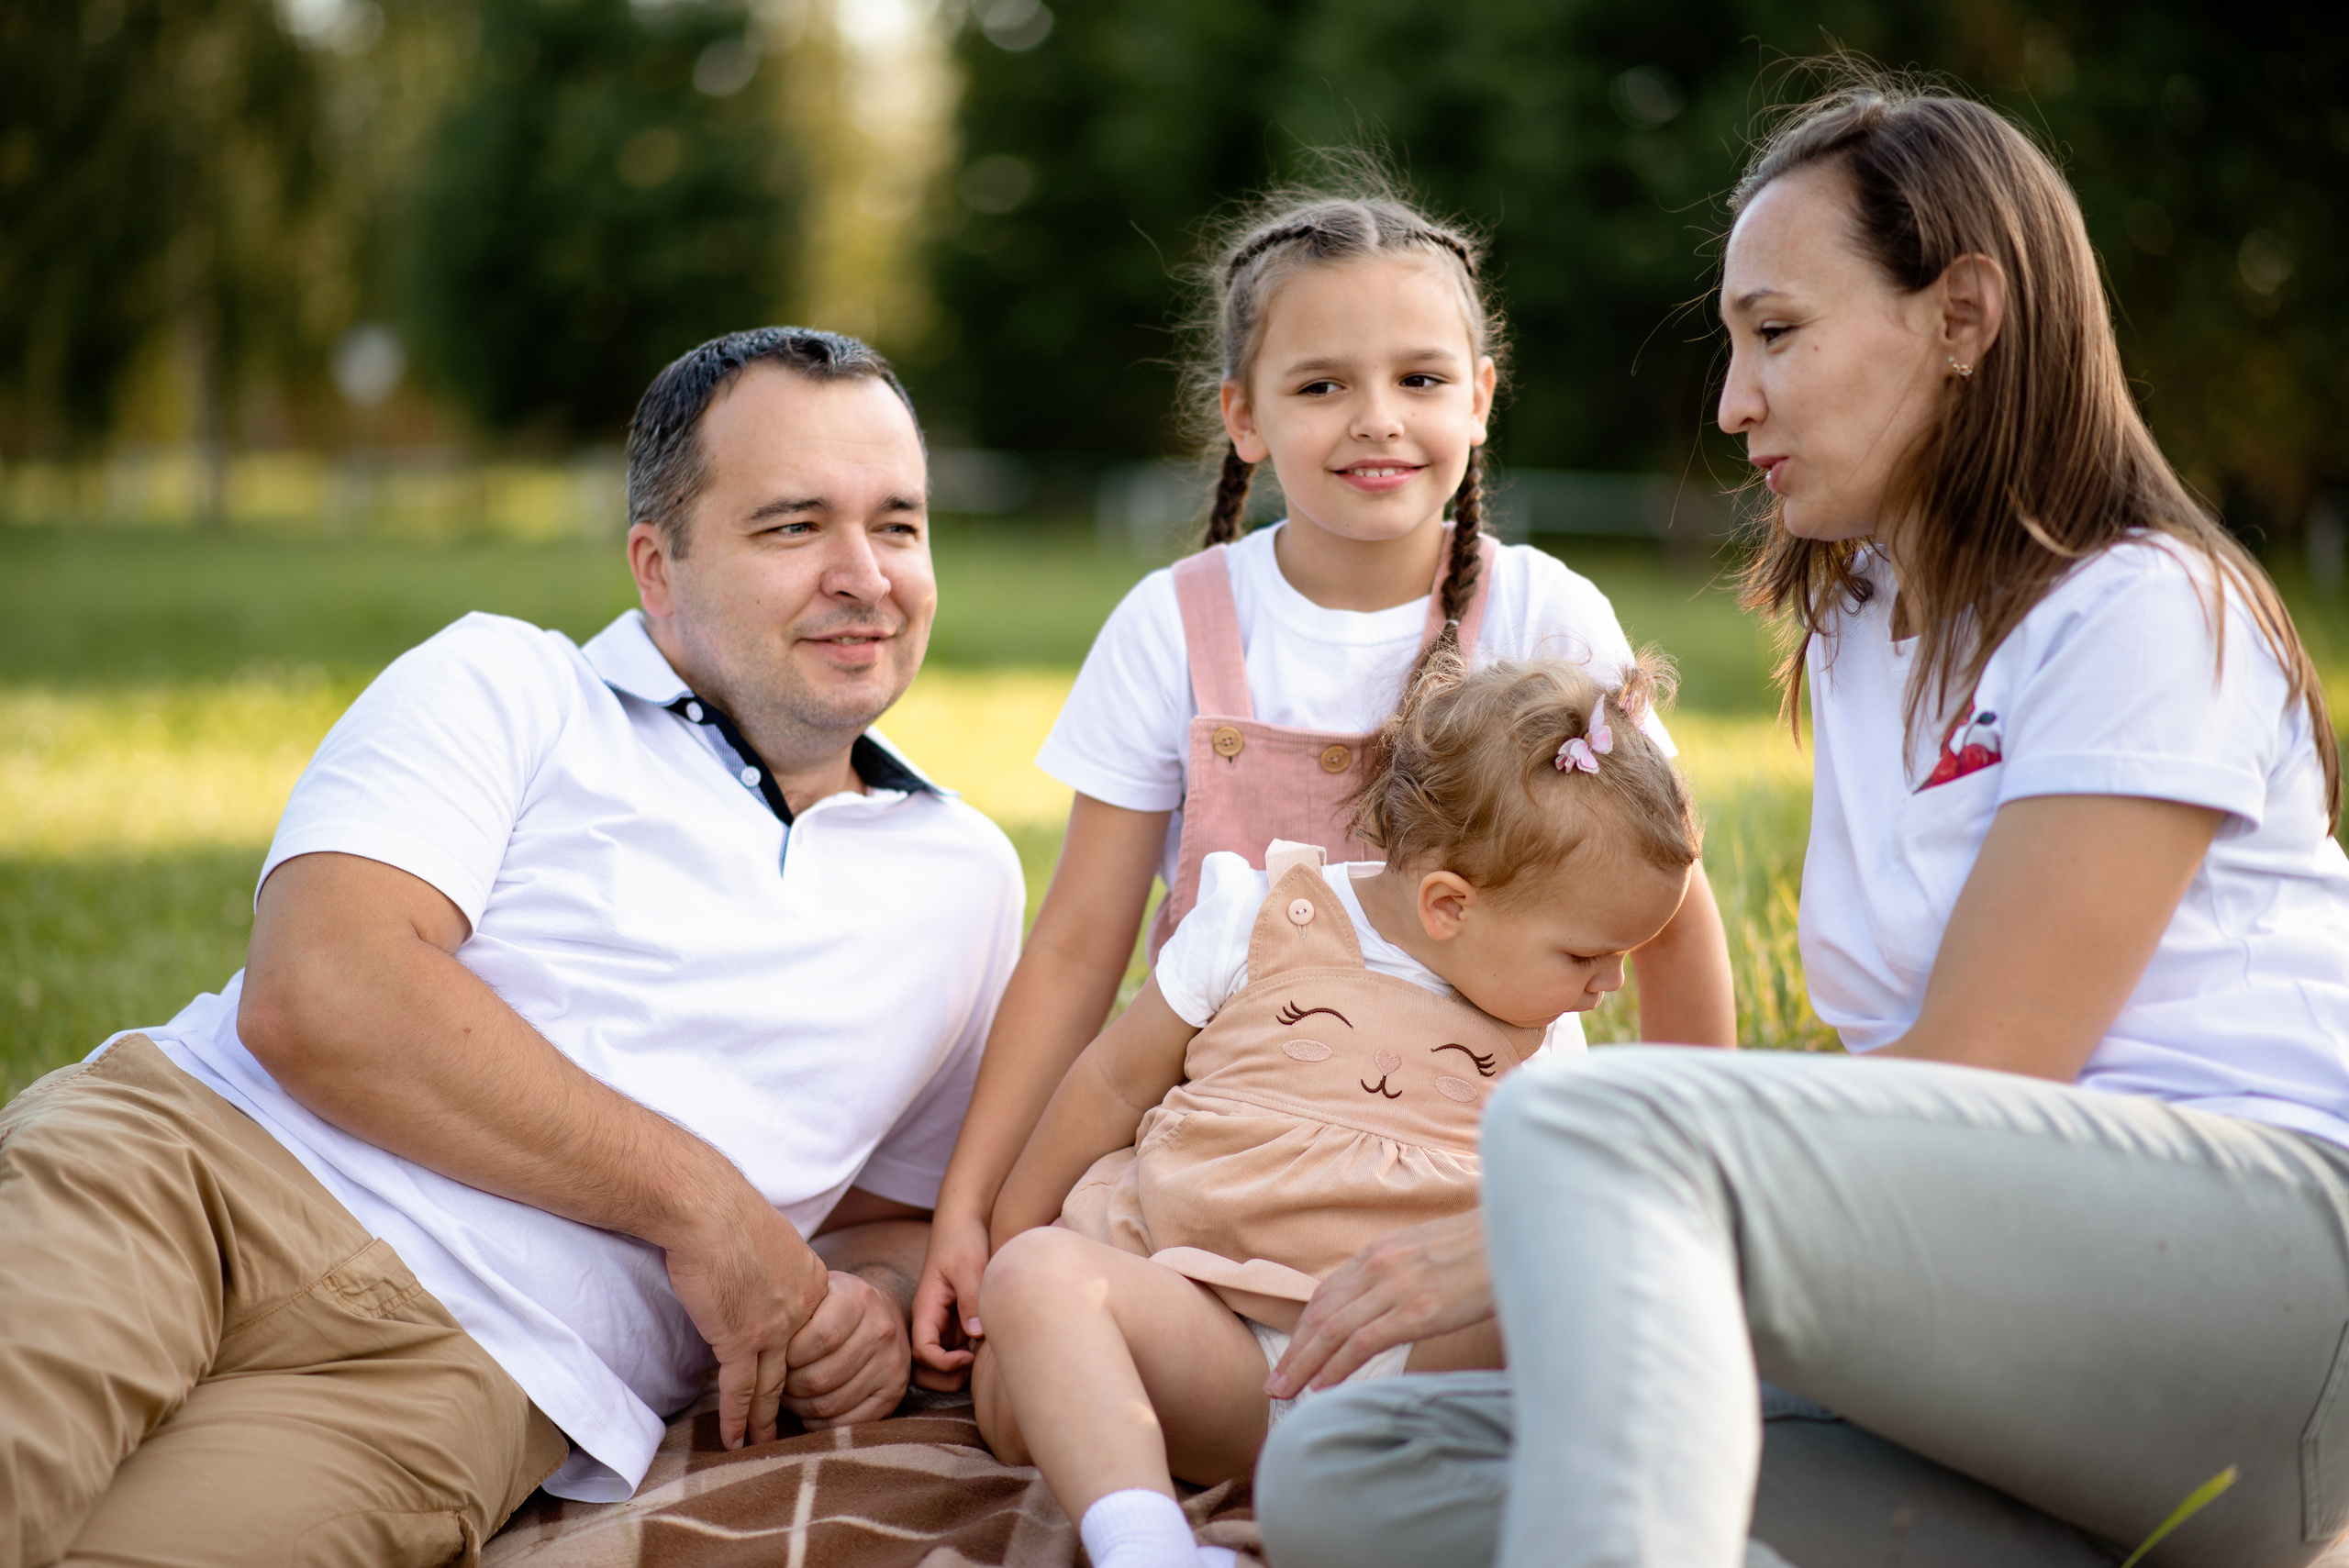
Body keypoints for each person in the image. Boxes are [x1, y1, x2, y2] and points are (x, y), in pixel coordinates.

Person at [1252, 76, 2349, 1568]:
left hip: (2265, 1312)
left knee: (1591, 1120)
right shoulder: (1860, 630)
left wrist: (1560, 1213)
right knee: (1350, 1462)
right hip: (2007, 1344)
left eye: (1775, 332)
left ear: (1963, 317)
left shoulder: (2144, 609)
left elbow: (1981, 1079)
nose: (1733, 400)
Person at [0, 328, 1025, 1566]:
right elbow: (320, 993)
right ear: (658, 565)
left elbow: (892, 1210)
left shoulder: (966, 881)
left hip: (472, 1369)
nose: (864, 575)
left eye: (898, 525)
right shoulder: (506, 684)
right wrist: (700, 1204)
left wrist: (862, 1307)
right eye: (794, 526)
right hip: (198, 1173)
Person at [912, 173, 1739, 1382]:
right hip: (1230, 1176)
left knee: (1614, 1335)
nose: (1377, 419)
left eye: (1420, 379)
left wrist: (1685, 1180)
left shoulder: (1544, 613)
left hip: (1467, 1194)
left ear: (1481, 399)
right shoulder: (1174, 624)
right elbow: (1080, 945)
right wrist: (974, 1210)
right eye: (1320, 386)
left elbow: (1669, 909)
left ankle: (1352, 1432)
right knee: (1014, 1375)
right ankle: (1254, 1422)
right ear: (1243, 416)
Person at [972, 651, 1703, 1568]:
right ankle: (1146, 1545)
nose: (1610, 984)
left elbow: (1561, 1208)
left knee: (1604, 1273)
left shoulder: (1543, 1028)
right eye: (1588, 955)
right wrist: (1012, 1225)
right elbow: (1116, 1082)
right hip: (1212, 1336)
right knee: (1036, 1275)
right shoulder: (1255, 915)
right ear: (1448, 904)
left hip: (1408, 1371)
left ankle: (1558, 1514)